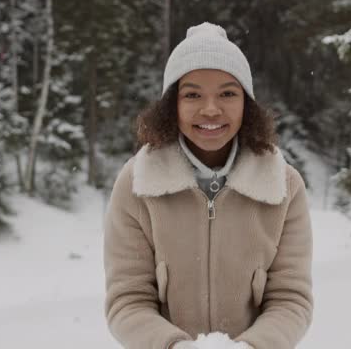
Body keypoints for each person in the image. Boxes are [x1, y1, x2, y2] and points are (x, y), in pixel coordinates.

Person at [103, 22, 313, 349]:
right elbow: (127, 301)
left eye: (228, 93)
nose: (211, 109)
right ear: (172, 104)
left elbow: (290, 299)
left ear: (247, 102)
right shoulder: (136, 183)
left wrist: (251, 347)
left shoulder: (284, 185)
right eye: (193, 94)